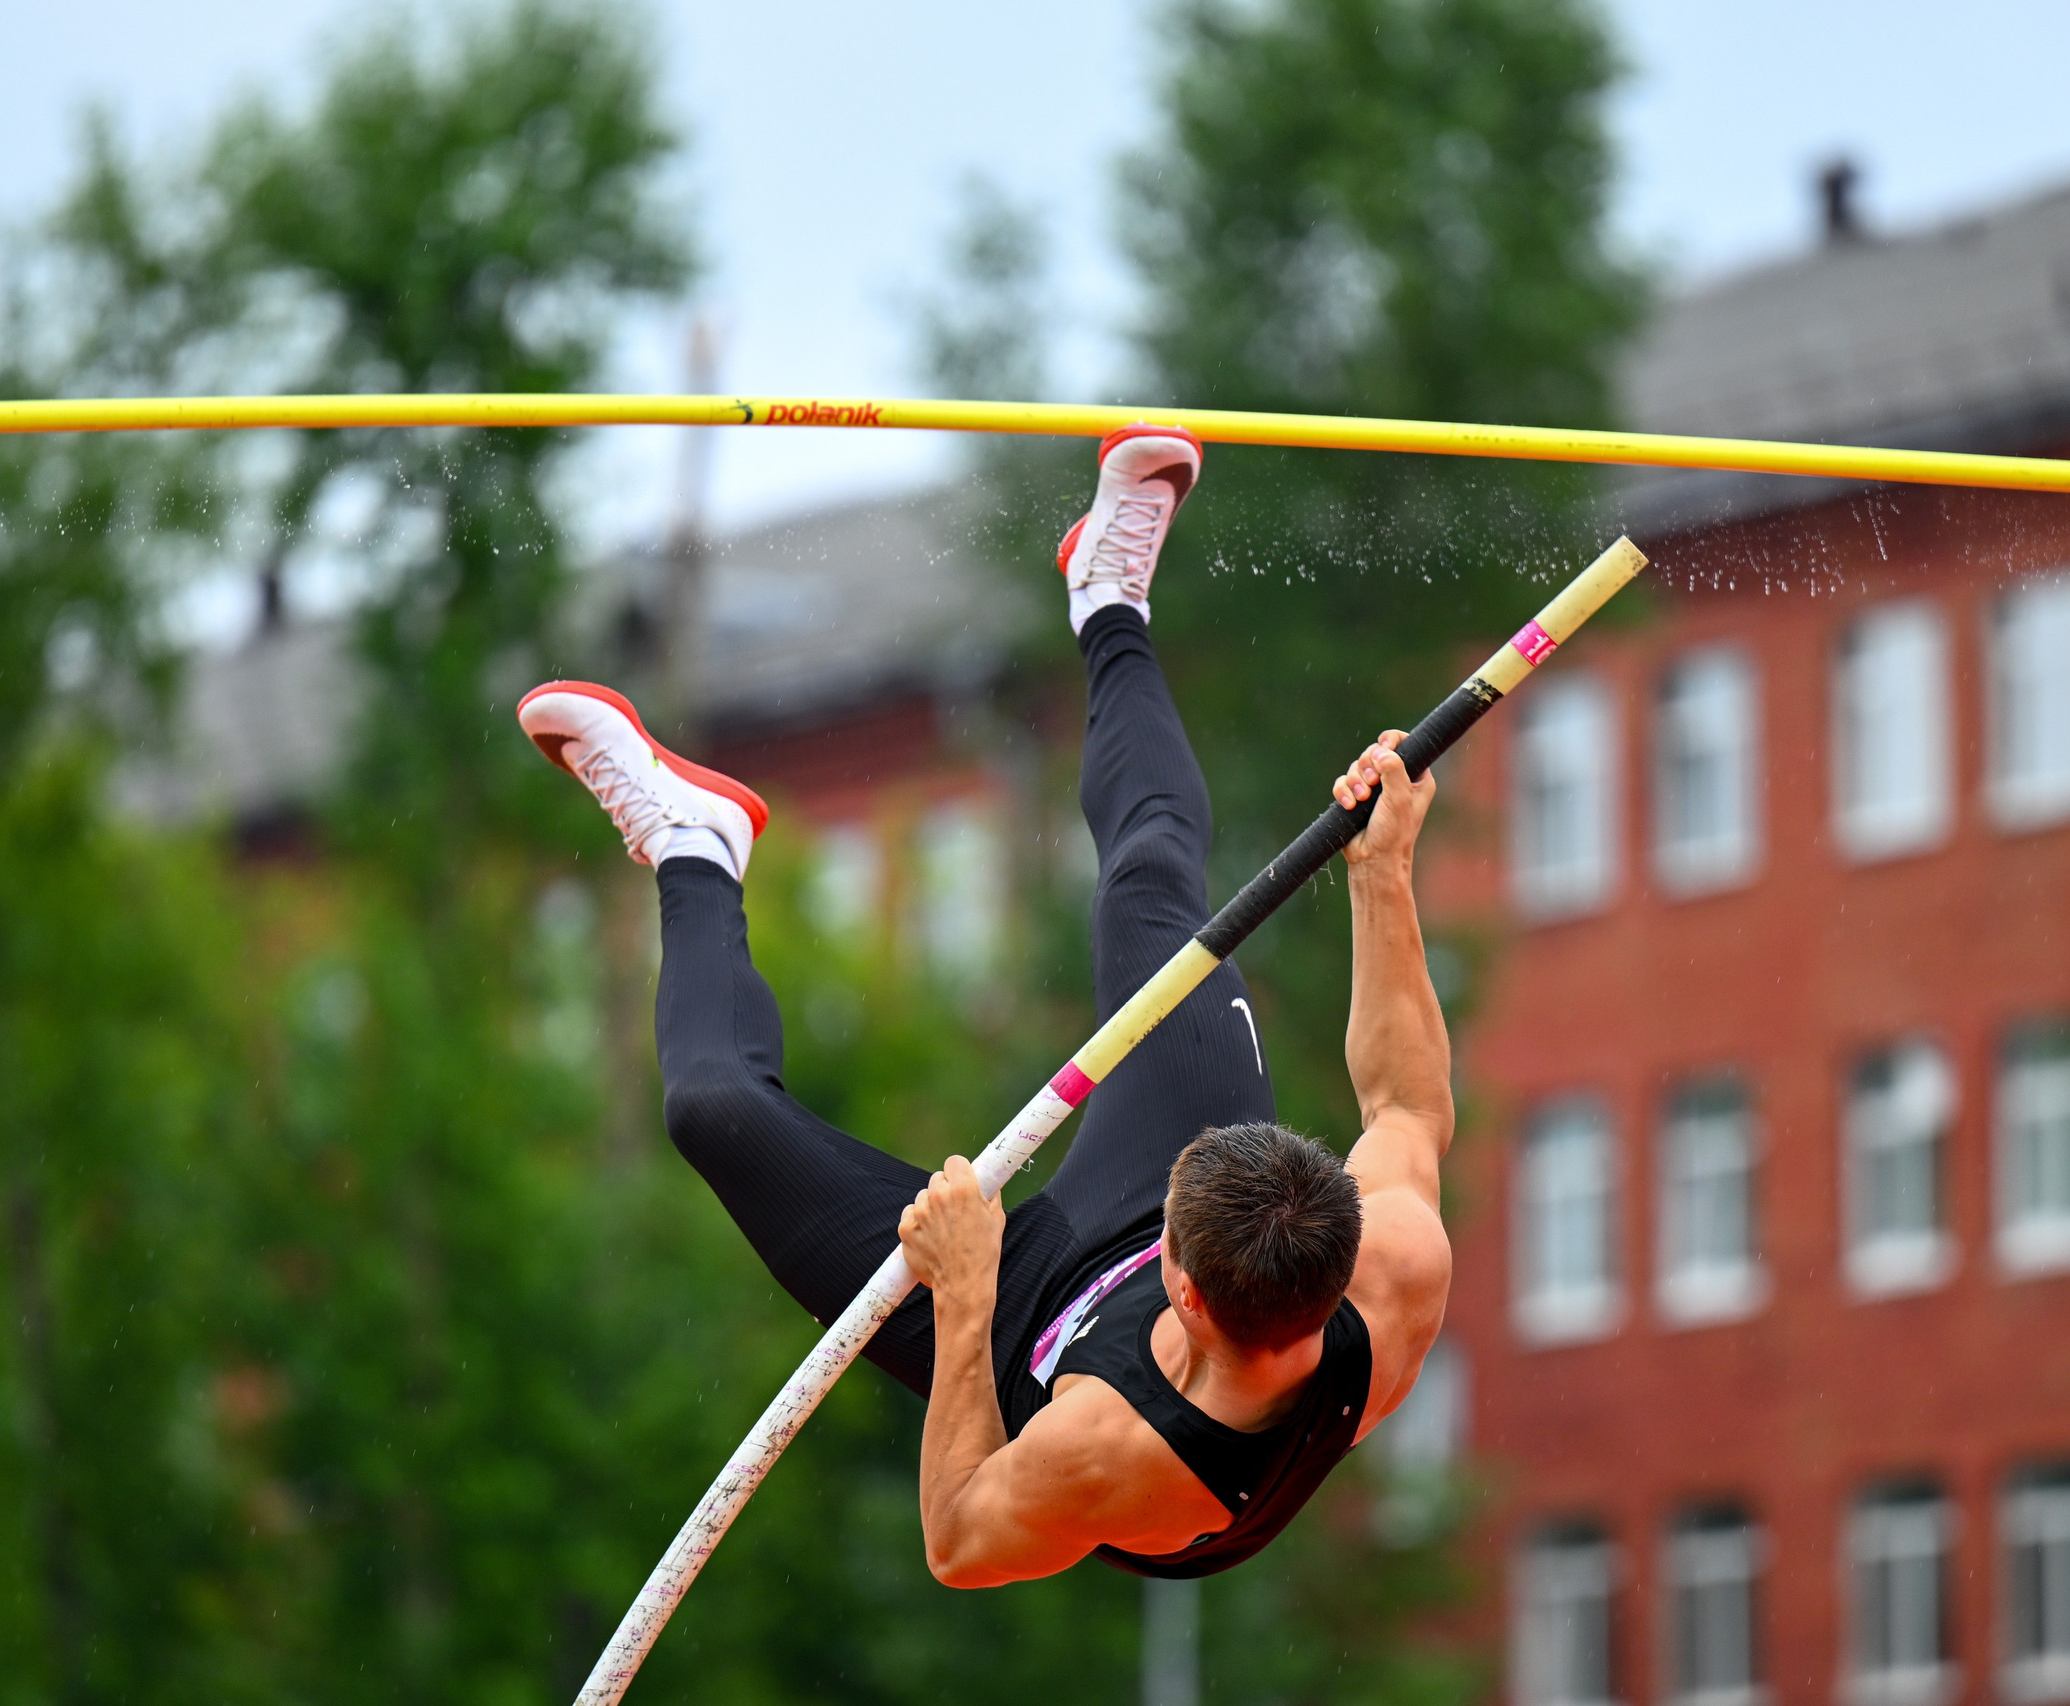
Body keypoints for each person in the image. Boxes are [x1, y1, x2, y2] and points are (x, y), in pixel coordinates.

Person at [517, 426, 1454, 1585]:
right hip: (1202, 1242)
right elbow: (1406, 1103)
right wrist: (1383, 870)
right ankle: (1108, 595)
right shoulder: (1390, 1267)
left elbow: (959, 1542)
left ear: (1180, 1283)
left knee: (712, 1109)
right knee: (1152, 890)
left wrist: (965, 1296)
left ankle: (692, 848)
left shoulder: (1111, 1451)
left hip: (1014, 1331)